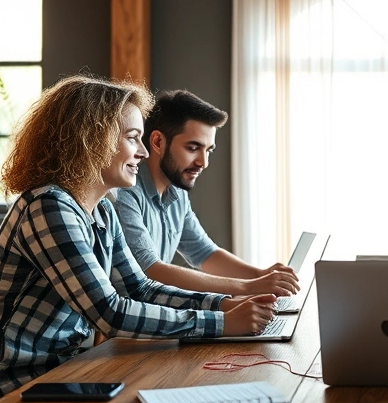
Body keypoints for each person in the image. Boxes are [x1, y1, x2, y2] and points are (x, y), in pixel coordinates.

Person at [0, 76, 275, 403]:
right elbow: (109, 312)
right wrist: (222, 323)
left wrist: (221, 304)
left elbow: (140, 289)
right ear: (91, 140)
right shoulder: (49, 207)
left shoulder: (102, 213)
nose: (142, 153)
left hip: (64, 372)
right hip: (13, 386)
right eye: (132, 138)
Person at [112, 89, 299, 300]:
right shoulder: (125, 194)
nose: (203, 162)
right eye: (193, 148)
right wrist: (249, 287)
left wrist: (260, 275)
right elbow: (151, 270)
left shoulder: (177, 194)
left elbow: (204, 252)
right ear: (157, 142)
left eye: (208, 150)